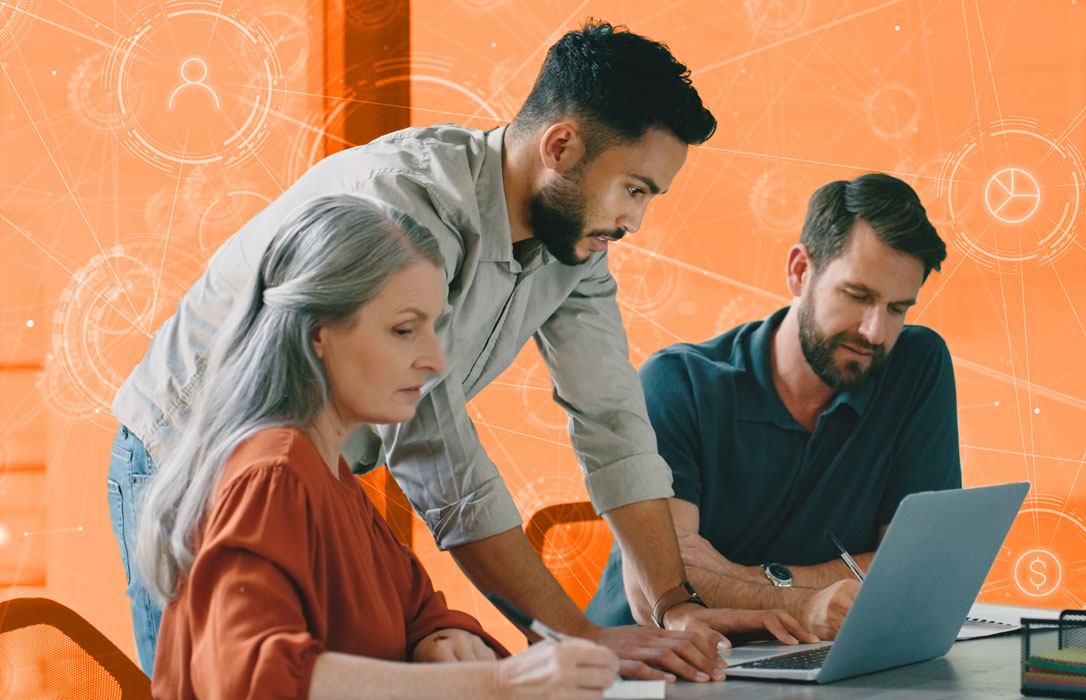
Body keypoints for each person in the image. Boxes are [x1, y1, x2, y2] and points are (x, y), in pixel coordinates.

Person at [109, 19, 813, 681]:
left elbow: (612, 419)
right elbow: (438, 454)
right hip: (189, 458)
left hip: (319, 476)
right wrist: (577, 636)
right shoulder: (406, 211)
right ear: (561, 147)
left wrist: (671, 603)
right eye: (633, 188)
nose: (635, 219)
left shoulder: (575, 240)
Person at [139, 194, 622, 699]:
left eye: (433, 328)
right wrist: (497, 682)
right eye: (404, 330)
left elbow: (416, 609)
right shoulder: (273, 473)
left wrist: (441, 638)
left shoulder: (330, 470)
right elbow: (251, 679)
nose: (435, 360)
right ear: (317, 332)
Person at [586, 173, 963, 634]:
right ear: (800, 271)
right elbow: (662, 584)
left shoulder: (916, 365)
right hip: (654, 664)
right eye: (857, 296)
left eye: (898, 308)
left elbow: (923, 567)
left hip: (807, 654)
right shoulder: (678, 383)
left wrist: (756, 580)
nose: (874, 331)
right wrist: (808, 602)